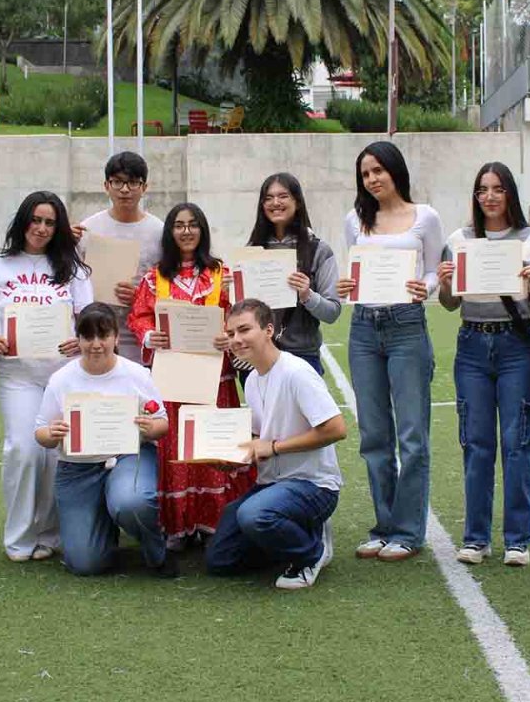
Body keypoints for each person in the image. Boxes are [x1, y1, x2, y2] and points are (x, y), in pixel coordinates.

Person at [436, 162, 530, 567]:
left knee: (518, 442)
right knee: (477, 442)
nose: (490, 196)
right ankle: (476, 537)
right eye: (483, 189)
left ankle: (517, 540)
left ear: (510, 195)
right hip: (472, 342)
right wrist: (447, 280)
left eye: (498, 189)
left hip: (516, 344)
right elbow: (450, 303)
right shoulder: (459, 238)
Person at [338, 141, 444, 562]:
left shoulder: (425, 217)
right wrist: (345, 286)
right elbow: (355, 271)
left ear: (395, 171)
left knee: (412, 436)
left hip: (406, 327)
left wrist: (428, 286)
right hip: (364, 328)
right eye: (365, 174)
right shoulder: (354, 220)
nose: (373, 179)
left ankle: (408, 531)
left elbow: (436, 268)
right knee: (374, 437)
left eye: (379, 170)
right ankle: (384, 526)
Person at [127, 201, 254, 544]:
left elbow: (238, 316)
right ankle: (179, 526)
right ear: (169, 232)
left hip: (215, 379)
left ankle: (216, 524)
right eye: (179, 225)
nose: (186, 231)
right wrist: (149, 335)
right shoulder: (155, 277)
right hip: (173, 379)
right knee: (179, 452)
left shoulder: (221, 274)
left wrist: (228, 335)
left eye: (193, 224)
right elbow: (138, 316)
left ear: (203, 230)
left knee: (213, 448)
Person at [0, 192, 93, 563]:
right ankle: (19, 537)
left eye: (49, 222)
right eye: (36, 220)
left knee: (57, 455)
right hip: (17, 375)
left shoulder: (73, 268)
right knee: (24, 450)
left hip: (62, 375)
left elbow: (88, 322)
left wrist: (78, 340)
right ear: (23, 221)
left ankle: (49, 534)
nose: (42, 228)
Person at [207, 299, 348, 590]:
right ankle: (296, 534)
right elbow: (261, 438)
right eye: (231, 333)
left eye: (244, 330)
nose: (236, 339)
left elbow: (336, 428)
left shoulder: (296, 372)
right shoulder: (253, 381)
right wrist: (234, 456)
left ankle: (312, 551)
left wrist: (273, 447)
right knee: (220, 559)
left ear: (269, 330)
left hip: (314, 484)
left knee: (254, 515)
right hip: (272, 483)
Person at [34, 303, 175, 577]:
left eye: (103, 336)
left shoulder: (136, 374)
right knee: (85, 564)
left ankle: (155, 548)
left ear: (115, 337)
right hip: (77, 468)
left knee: (131, 502)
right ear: (78, 339)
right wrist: (52, 434)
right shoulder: (62, 379)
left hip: (127, 457)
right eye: (88, 337)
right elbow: (40, 432)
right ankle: (102, 528)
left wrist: (149, 427)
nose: (96, 344)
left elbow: (162, 424)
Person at [240, 172, 342, 374]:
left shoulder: (319, 250)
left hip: (302, 357)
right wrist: (233, 289)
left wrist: (307, 295)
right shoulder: (251, 251)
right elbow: (244, 311)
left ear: (298, 202)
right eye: (268, 198)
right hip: (258, 356)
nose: (275, 203)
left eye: (283, 196)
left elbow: (332, 312)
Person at [77, 151, 165, 361]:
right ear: (106, 186)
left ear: (144, 187)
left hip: (144, 335)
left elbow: (172, 283)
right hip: (98, 335)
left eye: (133, 182)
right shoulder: (88, 229)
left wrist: (141, 296)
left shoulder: (160, 232)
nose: (125, 189)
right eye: (117, 182)